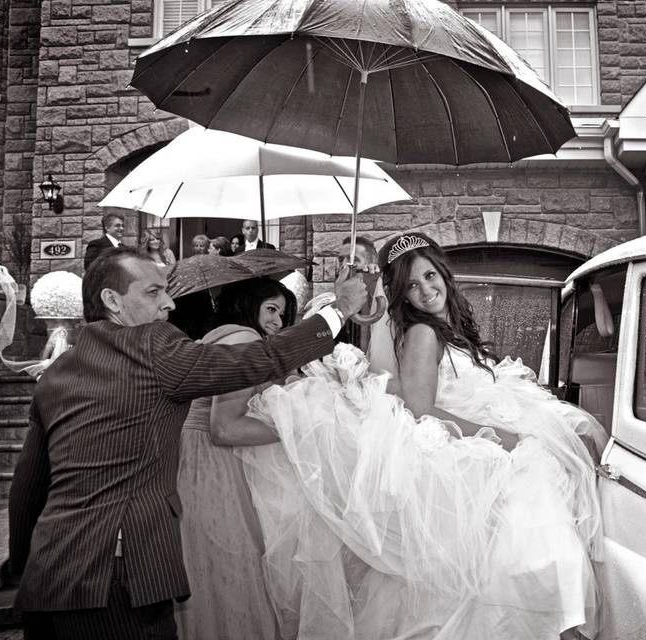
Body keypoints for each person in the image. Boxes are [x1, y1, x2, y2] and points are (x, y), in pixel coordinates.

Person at [237, 233, 607, 639]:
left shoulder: (447, 330)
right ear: (401, 294)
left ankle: (549, 613)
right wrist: (501, 436)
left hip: (471, 437)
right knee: (532, 489)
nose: (425, 290)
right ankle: (554, 616)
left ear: (445, 275)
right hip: (456, 448)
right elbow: (420, 407)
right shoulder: (422, 334)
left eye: (430, 276)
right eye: (412, 285)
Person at [7, 247, 367, 640]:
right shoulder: (152, 347)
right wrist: (340, 310)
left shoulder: (59, 370)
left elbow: (28, 489)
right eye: (152, 292)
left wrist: (25, 569)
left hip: (48, 579)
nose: (169, 302)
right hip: (118, 577)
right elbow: (260, 359)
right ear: (112, 301)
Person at [175, 278, 298, 640]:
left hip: (198, 459)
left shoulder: (219, 338)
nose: (278, 321)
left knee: (211, 569)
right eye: (271, 309)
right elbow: (224, 429)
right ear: (248, 305)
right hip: (214, 465)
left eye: (283, 313)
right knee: (233, 566)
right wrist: (303, 427)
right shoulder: (243, 340)